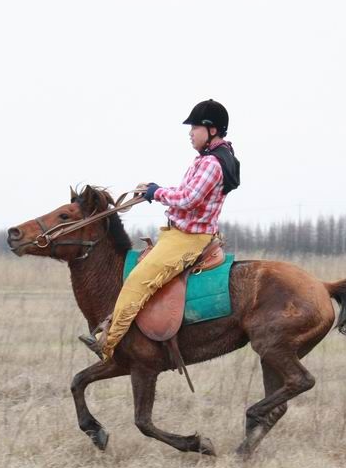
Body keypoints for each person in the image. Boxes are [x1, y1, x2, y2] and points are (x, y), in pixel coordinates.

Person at [80, 99, 241, 361]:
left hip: (188, 239)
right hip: (179, 233)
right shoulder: (207, 160)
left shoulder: (212, 164)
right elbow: (184, 194)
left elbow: (189, 198)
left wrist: (156, 193)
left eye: (195, 127)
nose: (190, 133)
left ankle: (107, 344)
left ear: (212, 130)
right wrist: (156, 189)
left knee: (137, 281)